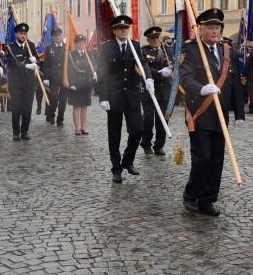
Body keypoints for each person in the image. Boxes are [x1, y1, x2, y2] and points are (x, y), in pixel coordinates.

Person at [179, 9, 244, 216]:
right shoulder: (191, 50)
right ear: (201, 29)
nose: (215, 32)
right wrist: (201, 88)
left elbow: (234, 84)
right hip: (200, 111)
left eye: (217, 28)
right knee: (202, 159)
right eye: (210, 28)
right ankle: (191, 194)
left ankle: (207, 199)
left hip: (221, 114)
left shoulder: (228, 51)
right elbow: (184, 77)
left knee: (217, 159)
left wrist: (239, 113)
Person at [97, 15, 155, 183]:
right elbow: (102, 72)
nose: (124, 30)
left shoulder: (135, 46)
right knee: (114, 135)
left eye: (126, 28)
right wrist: (103, 97)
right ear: (114, 30)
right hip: (114, 96)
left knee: (138, 130)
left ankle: (127, 161)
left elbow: (143, 63)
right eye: (120, 28)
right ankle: (116, 169)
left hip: (132, 95)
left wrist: (149, 78)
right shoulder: (107, 48)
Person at [140, 26, 173, 156]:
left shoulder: (168, 50)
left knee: (163, 119)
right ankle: (146, 143)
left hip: (164, 89)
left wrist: (171, 68)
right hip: (149, 89)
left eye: (157, 37)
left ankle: (159, 145)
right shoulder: (143, 51)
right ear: (148, 40)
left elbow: (177, 62)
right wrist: (159, 73)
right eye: (152, 38)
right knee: (148, 118)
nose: (155, 40)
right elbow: (144, 66)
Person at [5, 23, 39, 140]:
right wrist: (26, 66)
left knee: (27, 108)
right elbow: (13, 64)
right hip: (16, 83)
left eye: (25, 34)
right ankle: (16, 132)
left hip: (29, 82)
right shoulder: (10, 47)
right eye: (21, 34)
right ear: (16, 34)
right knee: (16, 107)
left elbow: (36, 60)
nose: (23, 36)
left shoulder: (31, 45)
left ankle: (25, 131)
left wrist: (36, 62)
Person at [66, 34, 95, 135]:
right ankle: (77, 128)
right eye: (79, 43)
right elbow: (70, 70)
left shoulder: (89, 53)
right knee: (76, 106)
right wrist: (72, 83)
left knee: (84, 106)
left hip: (86, 82)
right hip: (76, 83)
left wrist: (95, 72)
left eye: (82, 43)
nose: (81, 44)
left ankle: (83, 127)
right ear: (76, 44)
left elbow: (93, 65)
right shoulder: (72, 54)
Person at [42, 28, 68, 127]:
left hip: (64, 77)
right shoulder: (49, 48)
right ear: (53, 38)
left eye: (59, 35)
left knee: (63, 100)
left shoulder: (67, 48)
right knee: (54, 97)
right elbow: (47, 64)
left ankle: (60, 119)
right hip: (53, 77)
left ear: (62, 36)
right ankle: (51, 114)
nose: (58, 37)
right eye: (56, 36)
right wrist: (46, 78)